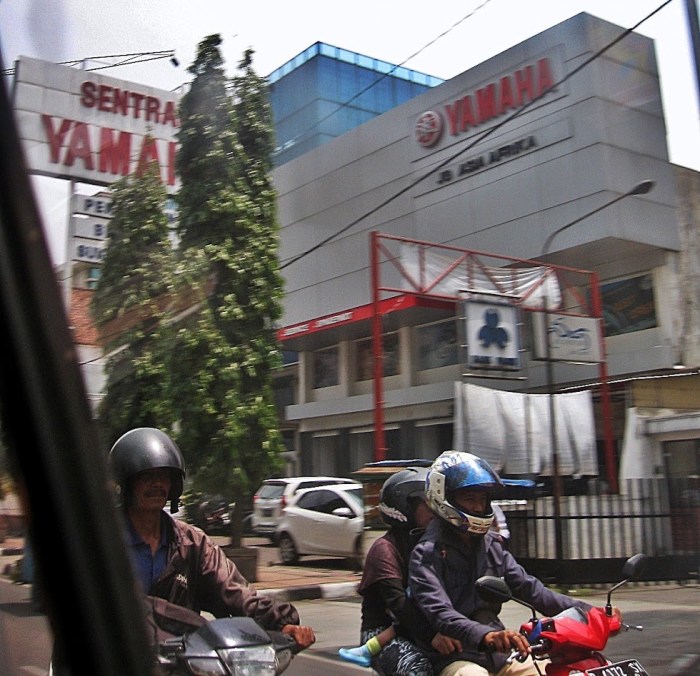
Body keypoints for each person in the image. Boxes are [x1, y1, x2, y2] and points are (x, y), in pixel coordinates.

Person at [408, 450, 619, 676]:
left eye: (482, 500)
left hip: (500, 655)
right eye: (470, 499)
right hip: (456, 657)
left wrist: (591, 613)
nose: (479, 508)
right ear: (444, 496)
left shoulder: (491, 546)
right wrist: (486, 635)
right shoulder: (426, 554)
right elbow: (442, 614)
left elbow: (531, 589)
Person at [107, 427, 315, 651]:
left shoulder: (191, 544)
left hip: (177, 662)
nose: (157, 484)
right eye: (147, 476)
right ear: (126, 483)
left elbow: (234, 592)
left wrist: (281, 623)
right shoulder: (102, 541)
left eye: (163, 476)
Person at [339, 466, 461, 674]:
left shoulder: (435, 544)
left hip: (428, 626)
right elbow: (400, 604)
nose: (436, 511)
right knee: (417, 668)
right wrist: (432, 636)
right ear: (405, 506)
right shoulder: (385, 550)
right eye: (429, 504)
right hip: (385, 631)